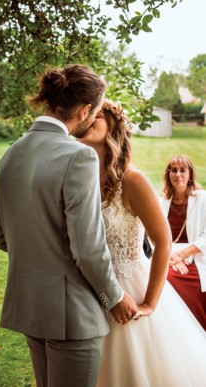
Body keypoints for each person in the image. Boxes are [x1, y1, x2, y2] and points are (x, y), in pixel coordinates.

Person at [0, 65, 138, 387]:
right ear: (85, 110)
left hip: (31, 311)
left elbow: (3, 238)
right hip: (73, 318)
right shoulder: (79, 158)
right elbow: (87, 250)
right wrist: (115, 298)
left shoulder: (10, 154)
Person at [77, 99, 206, 387]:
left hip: (129, 289)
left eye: (97, 114)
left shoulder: (131, 180)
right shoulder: (78, 176)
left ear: (114, 127)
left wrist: (149, 301)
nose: (88, 118)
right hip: (86, 291)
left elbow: (163, 241)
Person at [161, 155, 206, 330]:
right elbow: (153, 237)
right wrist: (170, 257)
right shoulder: (161, 202)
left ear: (190, 175)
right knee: (163, 278)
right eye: (173, 170)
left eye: (183, 170)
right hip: (168, 257)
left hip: (196, 256)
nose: (178, 174)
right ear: (168, 174)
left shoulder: (203, 199)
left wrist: (180, 255)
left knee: (177, 281)